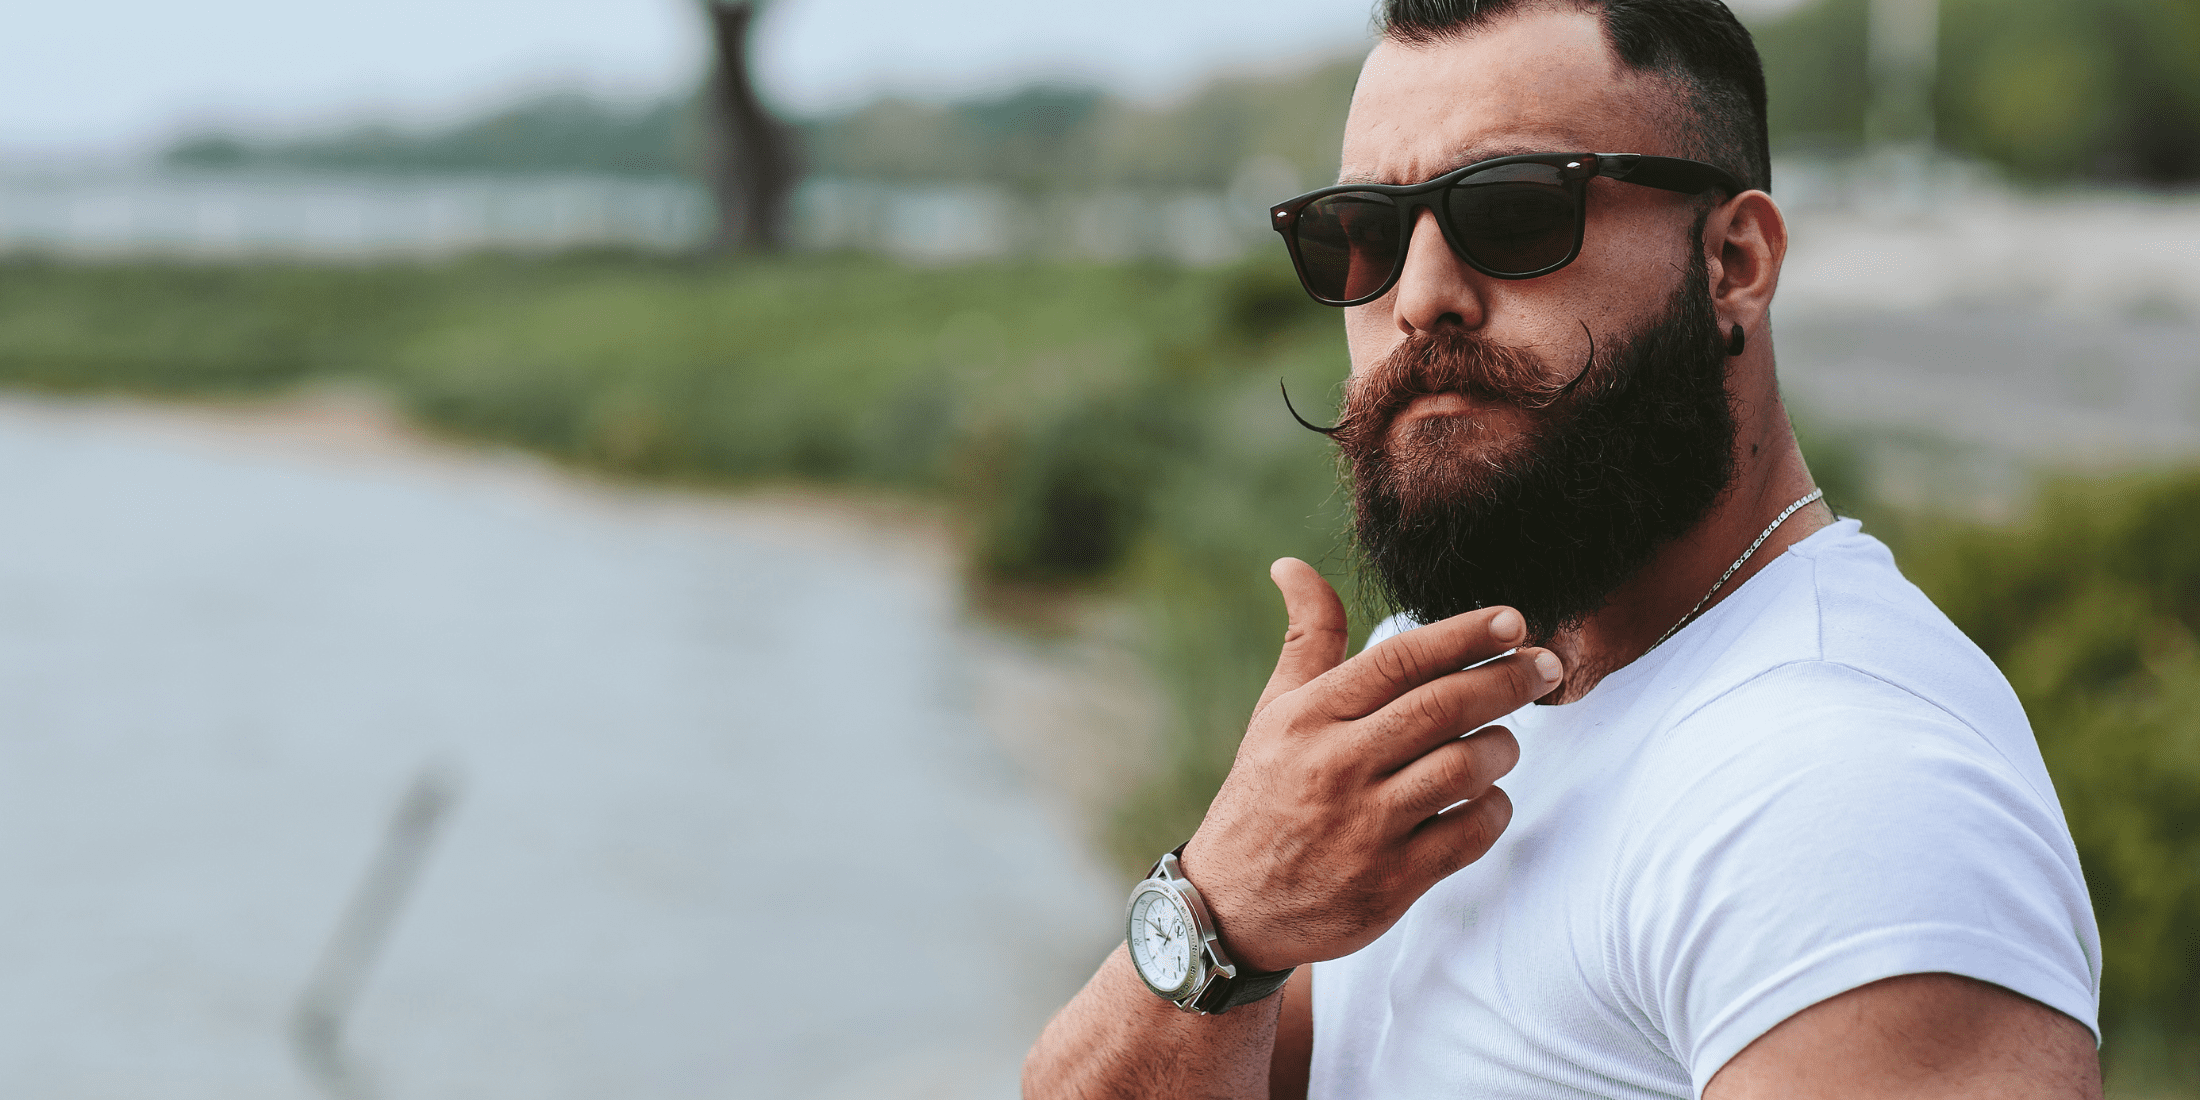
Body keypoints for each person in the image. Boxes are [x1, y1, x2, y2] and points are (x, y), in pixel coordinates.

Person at [1022, 1, 2103, 1097]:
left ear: (1733, 261)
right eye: (1364, 234)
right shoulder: (1446, 674)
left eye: (1514, 213)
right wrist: (1223, 911)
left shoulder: (1844, 793)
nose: (1421, 299)